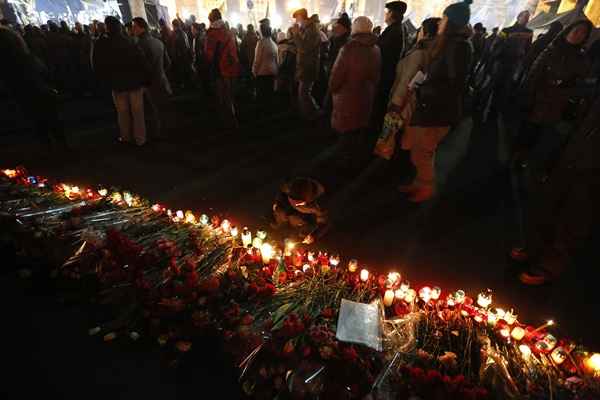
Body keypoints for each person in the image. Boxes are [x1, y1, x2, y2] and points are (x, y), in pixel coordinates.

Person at [518, 92, 600, 285]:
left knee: (574, 214)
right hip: (574, 150)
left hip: (593, 165)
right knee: (548, 200)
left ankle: (550, 263)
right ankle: (534, 248)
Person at [400, 0, 473, 203]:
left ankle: (426, 188)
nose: (441, 22)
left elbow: (453, 84)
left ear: (452, 22)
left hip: (437, 110)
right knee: (419, 150)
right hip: (431, 106)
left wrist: (424, 87)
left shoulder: (458, 47)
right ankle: (419, 183)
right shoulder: (450, 44)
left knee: (423, 151)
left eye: (445, 18)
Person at [514, 20, 593, 164]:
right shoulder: (552, 49)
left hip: (556, 106)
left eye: (583, 33)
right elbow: (534, 74)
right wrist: (526, 96)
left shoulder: (582, 59)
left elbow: (580, 85)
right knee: (526, 131)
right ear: (568, 31)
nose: (578, 34)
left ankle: (525, 161)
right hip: (537, 100)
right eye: (577, 30)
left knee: (540, 136)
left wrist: (569, 88)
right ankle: (517, 157)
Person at [0, 25, 67, 149]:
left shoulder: (8, 66)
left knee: (38, 122)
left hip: (24, 94)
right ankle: (62, 146)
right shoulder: (27, 58)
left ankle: (48, 147)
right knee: (52, 119)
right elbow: (44, 71)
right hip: (41, 90)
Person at [385, 18, 440, 162]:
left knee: (393, 135)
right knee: (405, 137)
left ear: (425, 32)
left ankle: (389, 164)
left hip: (404, 102)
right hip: (416, 103)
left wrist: (396, 103)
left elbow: (406, 80)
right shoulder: (435, 51)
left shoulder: (419, 53)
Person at [329, 16, 381, 161]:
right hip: (366, 98)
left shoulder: (348, 49)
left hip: (347, 99)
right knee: (357, 131)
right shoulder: (376, 49)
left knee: (345, 136)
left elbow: (336, 77)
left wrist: (332, 89)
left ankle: (343, 164)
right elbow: (376, 77)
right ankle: (355, 158)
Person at [93, 16, 150, 146]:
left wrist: (104, 80)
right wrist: (146, 79)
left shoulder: (102, 44)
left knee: (122, 113)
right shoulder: (130, 41)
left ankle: (126, 137)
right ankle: (140, 139)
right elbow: (141, 61)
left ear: (107, 27)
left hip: (117, 84)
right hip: (135, 83)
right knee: (138, 113)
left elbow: (98, 65)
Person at [132, 17, 172, 139]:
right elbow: (168, 63)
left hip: (148, 84)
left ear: (141, 27)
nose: (132, 29)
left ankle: (158, 135)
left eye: (134, 26)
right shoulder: (158, 42)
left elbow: (139, 67)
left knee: (153, 112)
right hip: (162, 80)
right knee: (163, 109)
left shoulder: (139, 45)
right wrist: (160, 73)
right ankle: (167, 131)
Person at [372, 1, 407, 131]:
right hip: (385, 74)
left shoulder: (394, 31)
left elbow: (383, 53)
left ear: (392, 14)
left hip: (384, 75)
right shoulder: (396, 29)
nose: (385, 15)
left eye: (387, 12)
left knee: (378, 106)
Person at [205, 8, 241, 129]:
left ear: (211, 19)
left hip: (220, 71)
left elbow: (209, 55)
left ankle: (229, 123)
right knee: (231, 96)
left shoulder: (211, 34)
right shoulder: (229, 31)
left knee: (223, 98)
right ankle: (234, 117)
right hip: (233, 68)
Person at [491, 10, 533, 108]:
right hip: (501, 62)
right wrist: (511, 37)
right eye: (525, 16)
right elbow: (496, 44)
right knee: (495, 86)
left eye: (528, 17)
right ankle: (489, 108)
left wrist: (522, 61)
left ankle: (497, 109)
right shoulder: (506, 30)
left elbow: (527, 49)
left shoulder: (529, 33)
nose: (527, 19)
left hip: (515, 64)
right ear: (518, 17)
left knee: (506, 88)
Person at [272, 177, 329, 244]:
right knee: (281, 213)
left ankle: (297, 232)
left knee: (298, 223)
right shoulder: (288, 188)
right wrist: (277, 208)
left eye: (299, 203)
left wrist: (313, 236)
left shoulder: (318, 205)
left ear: (308, 200)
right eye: (292, 200)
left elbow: (323, 224)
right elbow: (280, 198)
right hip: (291, 211)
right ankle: (280, 229)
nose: (295, 204)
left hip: (306, 219)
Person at [290, 8, 322, 121]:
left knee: (304, 93)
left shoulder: (312, 30)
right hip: (304, 66)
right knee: (303, 93)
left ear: (302, 17)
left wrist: (296, 34)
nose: (297, 22)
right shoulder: (306, 29)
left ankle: (313, 115)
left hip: (308, 66)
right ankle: (309, 114)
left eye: (297, 19)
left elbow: (304, 48)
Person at [252, 23, 278, 105]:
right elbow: (277, 60)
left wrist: (254, 71)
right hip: (272, 71)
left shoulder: (261, 43)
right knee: (269, 95)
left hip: (262, 72)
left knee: (262, 96)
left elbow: (257, 59)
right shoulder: (273, 43)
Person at [171, 18, 192, 89]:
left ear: (174, 26)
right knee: (185, 71)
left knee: (182, 72)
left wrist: (176, 55)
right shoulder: (183, 33)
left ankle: (184, 85)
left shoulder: (177, 34)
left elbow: (177, 47)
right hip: (185, 55)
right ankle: (187, 84)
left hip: (180, 56)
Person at [191, 22, 207, 88]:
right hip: (200, 63)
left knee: (203, 80)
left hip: (201, 63)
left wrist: (195, 63)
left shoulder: (199, 38)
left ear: (196, 29)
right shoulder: (198, 37)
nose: (191, 31)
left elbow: (199, 53)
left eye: (192, 29)